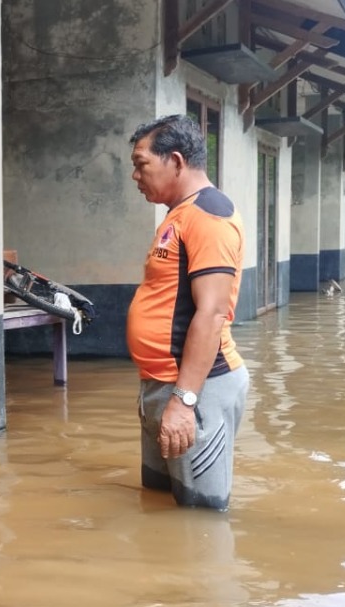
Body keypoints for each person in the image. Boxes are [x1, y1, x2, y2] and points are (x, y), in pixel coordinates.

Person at [127, 114, 250, 511]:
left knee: (200, 518)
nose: (135, 175)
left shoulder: (208, 217)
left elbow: (212, 312)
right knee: (160, 507)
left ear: (176, 161)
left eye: (141, 164)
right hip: (162, 386)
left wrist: (184, 400)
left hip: (195, 391)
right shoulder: (179, 213)